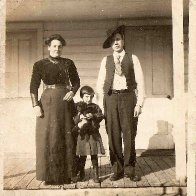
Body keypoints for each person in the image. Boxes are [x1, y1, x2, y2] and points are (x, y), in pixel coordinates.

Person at [30, 34, 80, 185]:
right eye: (54, 46)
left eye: (59, 46)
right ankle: (48, 176)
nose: (57, 48)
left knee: (65, 136)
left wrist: (72, 92)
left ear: (62, 48)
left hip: (65, 102)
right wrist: (35, 105)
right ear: (48, 47)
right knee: (48, 137)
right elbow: (33, 86)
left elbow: (76, 81)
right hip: (47, 102)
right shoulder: (39, 64)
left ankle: (67, 174)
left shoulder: (68, 63)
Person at [96, 25, 145, 181]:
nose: (115, 43)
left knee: (129, 134)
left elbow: (141, 83)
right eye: (112, 41)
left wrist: (139, 104)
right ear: (110, 44)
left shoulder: (133, 58)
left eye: (117, 39)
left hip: (129, 97)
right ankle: (117, 169)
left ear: (123, 41)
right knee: (113, 134)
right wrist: (100, 104)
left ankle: (130, 170)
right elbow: (99, 83)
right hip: (110, 98)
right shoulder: (106, 60)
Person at [71, 86, 105, 183]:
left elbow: (101, 115)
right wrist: (80, 116)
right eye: (86, 96)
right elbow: (74, 119)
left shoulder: (95, 106)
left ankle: (96, 175)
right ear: (82, 96)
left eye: (90, 97)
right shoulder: (78, 106)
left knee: (94, 155)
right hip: (82, 135)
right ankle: (82, 174)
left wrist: (93, 115)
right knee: (82, 155)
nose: (88, 99)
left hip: (93, 134)